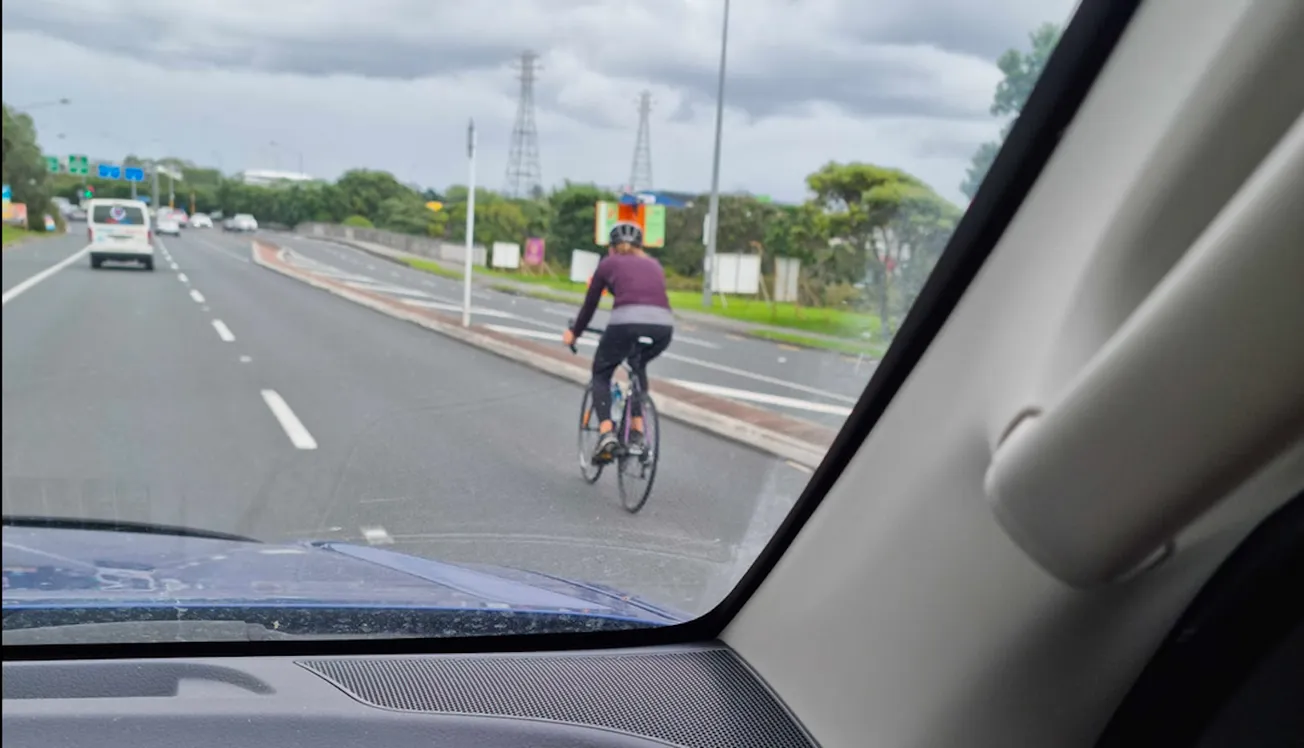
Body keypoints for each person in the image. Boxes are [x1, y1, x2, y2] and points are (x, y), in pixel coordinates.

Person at [563, 221, 674, 464]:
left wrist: (575, 333)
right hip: (663, 326)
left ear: (612, 247)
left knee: (601, 372)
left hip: (626, 324)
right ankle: (637, 432)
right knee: (637, 364)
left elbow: (590, 305)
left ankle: (606, 434)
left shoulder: (608, 264)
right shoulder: (654, 265)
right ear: (641, 246)